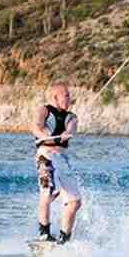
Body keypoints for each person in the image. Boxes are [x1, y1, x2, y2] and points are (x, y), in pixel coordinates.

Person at [30, 81, 81, 244]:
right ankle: (44, 234)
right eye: (66, 96)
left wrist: (66, 134)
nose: (69, 99)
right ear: (55, 97)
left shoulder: (71, 117)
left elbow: (71, 128)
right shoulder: (44, 110)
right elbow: (36, 127)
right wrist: (46, 136)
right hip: (45, 156)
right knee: (48, 192)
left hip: (62, 159)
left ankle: (63, 239)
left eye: (69, 96)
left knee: (75, 202)